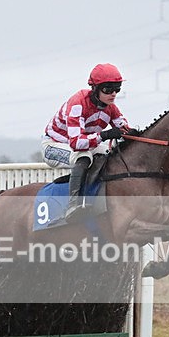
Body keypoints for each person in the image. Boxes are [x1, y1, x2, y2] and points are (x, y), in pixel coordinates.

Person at [42, 63, 131, 222]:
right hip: (53, 145)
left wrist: (133, 134)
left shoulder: (111, 107)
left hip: (85, 145)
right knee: (83, 157)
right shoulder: (78, 103)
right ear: (95, 88)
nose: (113, 94)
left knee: (109, 155)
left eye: (117, 89)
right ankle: (73, 205)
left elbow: (124, 129)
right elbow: (77, 143)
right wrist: (104, 135)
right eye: (108, 89)